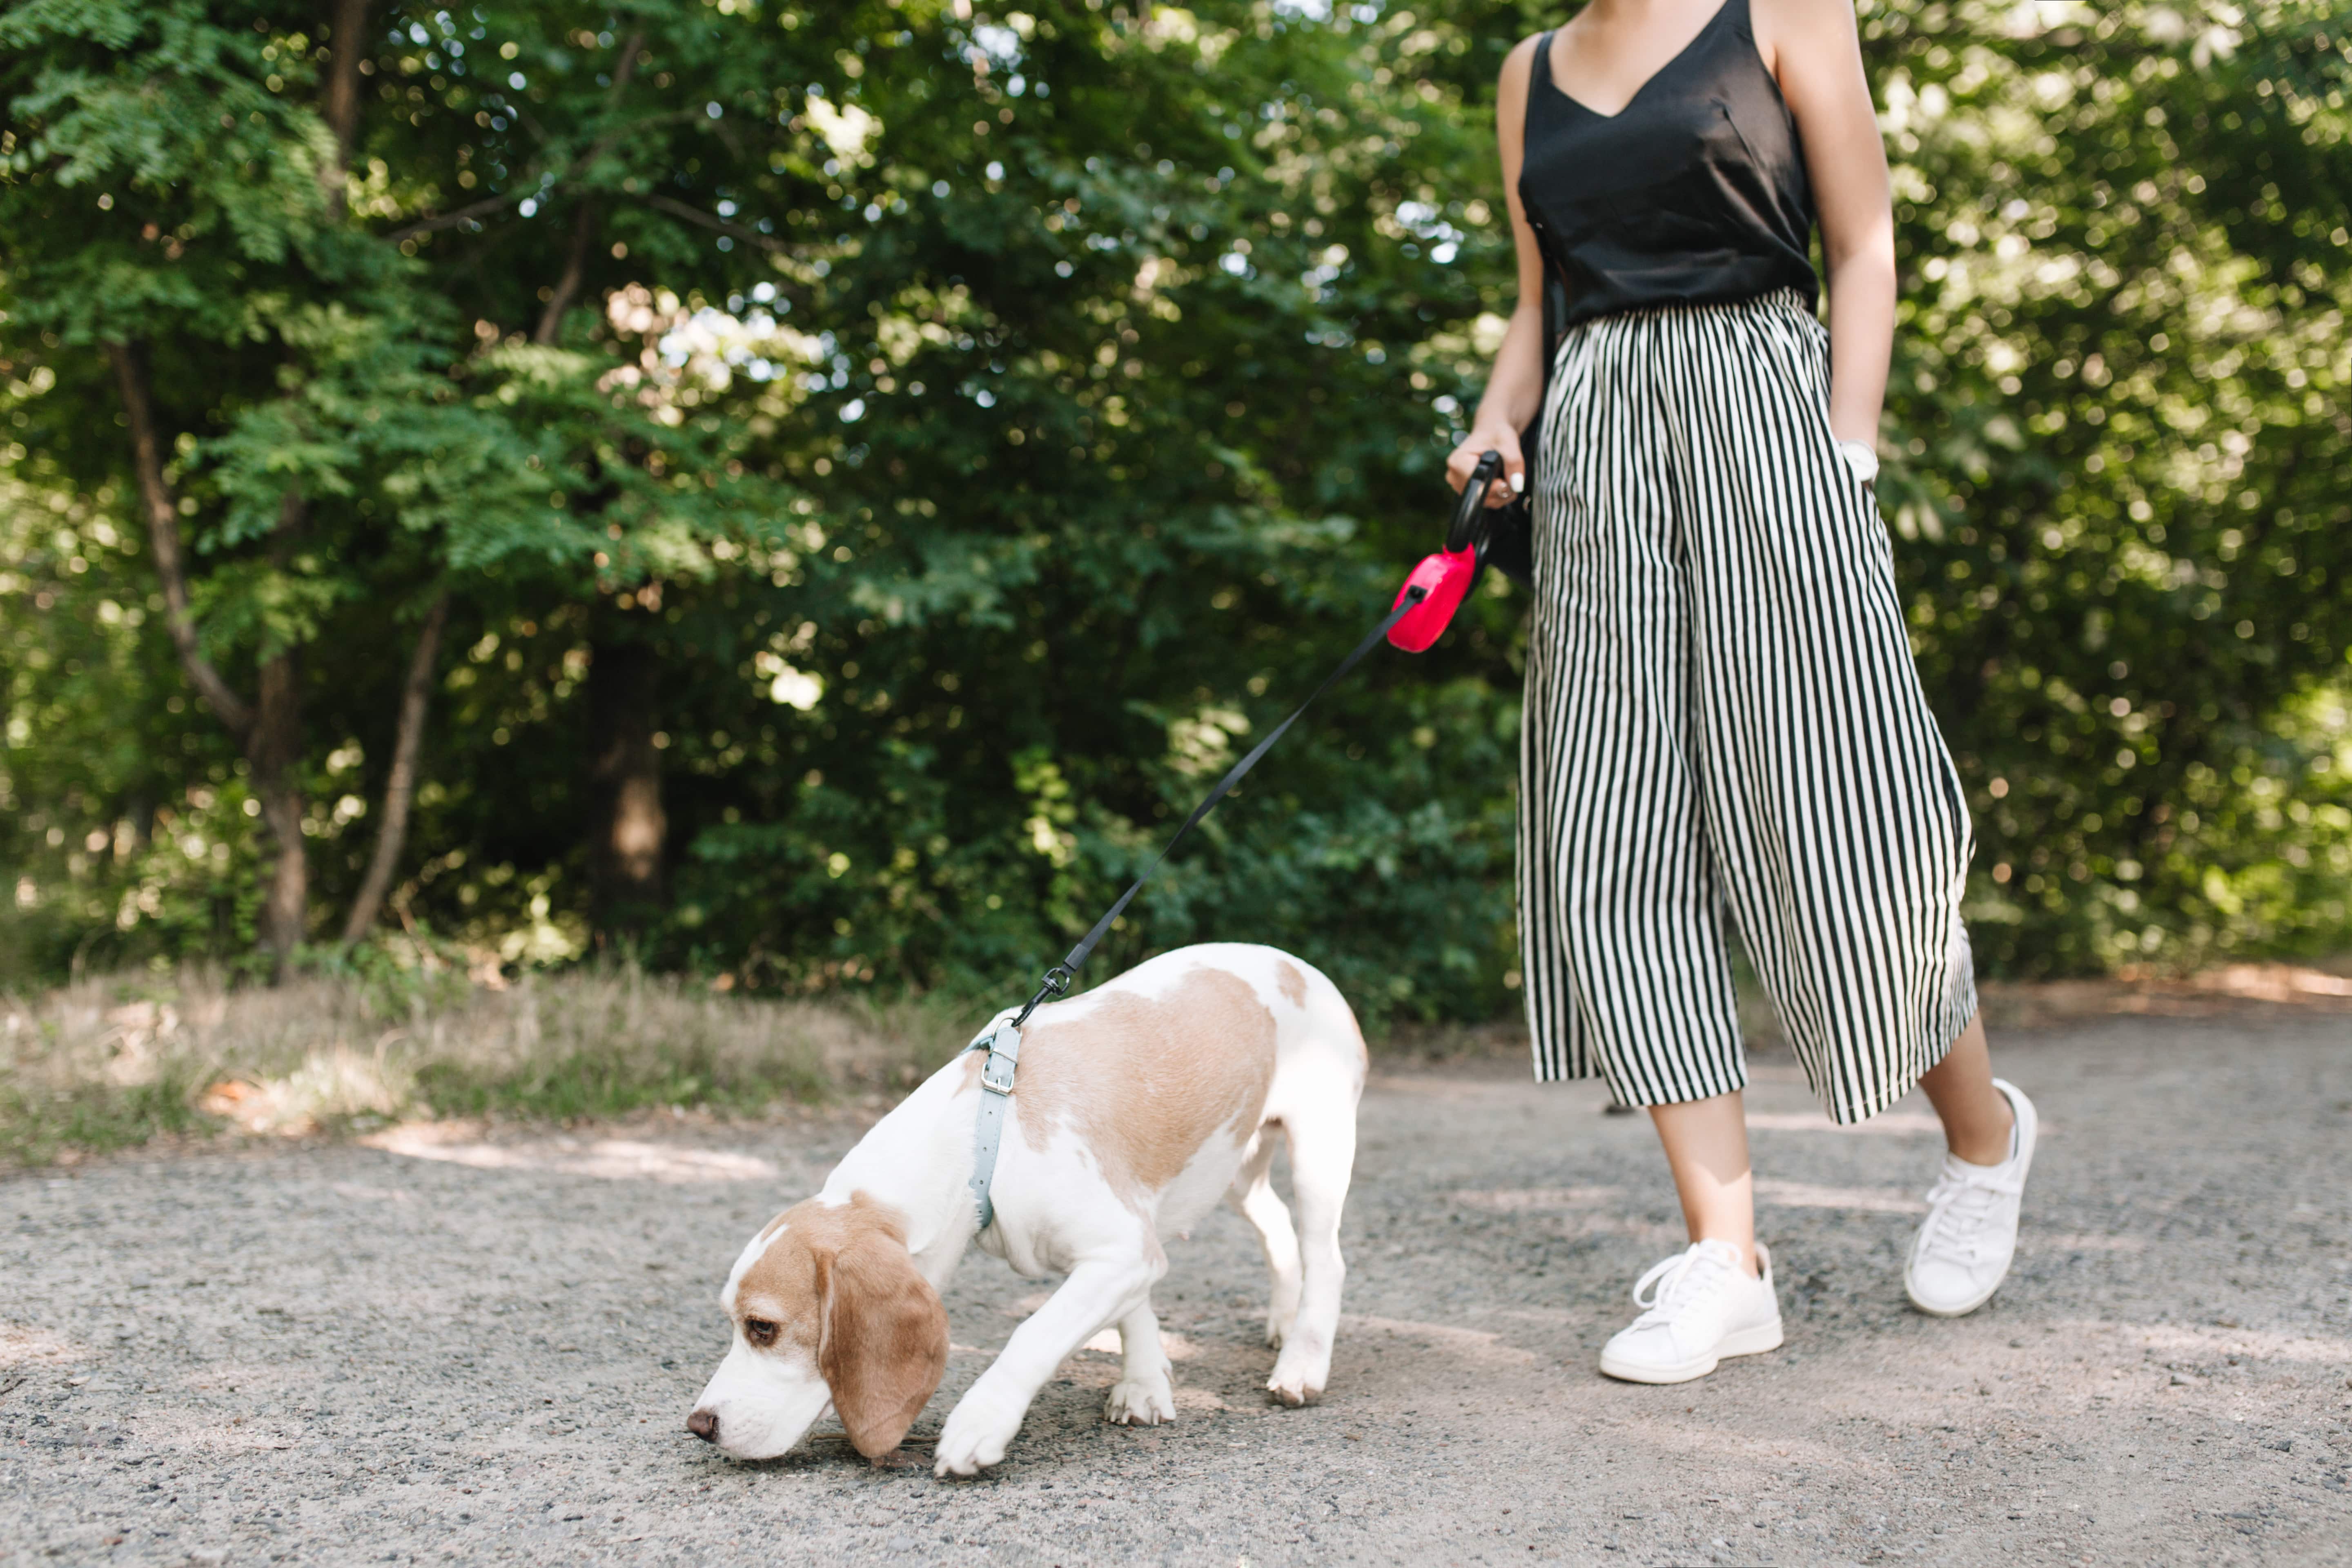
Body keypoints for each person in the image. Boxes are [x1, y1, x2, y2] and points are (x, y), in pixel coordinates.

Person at [1448, 0, 2036, 1385]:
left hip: (1769, 423)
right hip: (1598, 450)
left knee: (1846, 827)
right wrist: (1495, 421)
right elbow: (1540, 305)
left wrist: (1849, 452)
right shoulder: (1527, 74)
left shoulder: (1781, 10)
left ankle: (1985, 1140)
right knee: (1614, 838)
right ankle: (1729, 1262)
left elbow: (1865, 244)